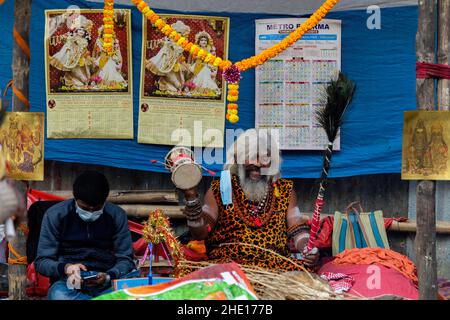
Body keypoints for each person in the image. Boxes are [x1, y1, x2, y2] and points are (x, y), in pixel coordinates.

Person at [180, 129, 320, 273]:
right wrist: (192, 199)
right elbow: (200, 233)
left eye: (264, 158)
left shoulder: (284, 190)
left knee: (308, 277)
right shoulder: (221, 188)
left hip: (275, 268)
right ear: (237, 159)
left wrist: (306, 248)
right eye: (251, 157)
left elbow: (297, 228)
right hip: (227, 267)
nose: (258, 164)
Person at [34, 170, 136, 300]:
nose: (91, 212)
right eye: (85, 208)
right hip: (68, 282)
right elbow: (42, 262)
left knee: (131, 292)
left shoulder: (117, 215)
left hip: (107, 281)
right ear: (75, 199)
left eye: (96, 208)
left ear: (104, 201)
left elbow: (126, 259)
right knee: (58, 295)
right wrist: (66, 268)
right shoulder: (55, 215)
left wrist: (109, 275)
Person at [146, 21, 191, 95]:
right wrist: (164, 43)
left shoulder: (182, 43)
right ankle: (168, 87)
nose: (178, 35)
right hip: (167, 63)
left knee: (182, 82)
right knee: (175, 84)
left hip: (178, 64)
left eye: (180, 33)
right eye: (176, 33)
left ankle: (179, 89)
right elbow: (161, 44)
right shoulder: (168, 40)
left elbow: (181, 51)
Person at [49, 16, 94, 90]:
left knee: (84, 71)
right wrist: (67, 39)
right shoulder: (72, 37)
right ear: (76, 30)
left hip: (81, 58)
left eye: (83, 31)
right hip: (72, 58)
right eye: (80, 30)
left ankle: (85, 82)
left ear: (85, 33)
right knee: (73, 71)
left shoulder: (84, 41)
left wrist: (86, 55)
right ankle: (75, 82)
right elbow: (67, 44)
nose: (81, 32)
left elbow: (84, 48)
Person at [188, 31, 221, 97]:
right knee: (199, 76)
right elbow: (193, 58)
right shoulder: (196, 48)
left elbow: (212, 58)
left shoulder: (209, 49)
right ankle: (197, 90)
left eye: (205, 40)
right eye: (202, 40)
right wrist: (199, 56)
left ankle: (206, 90)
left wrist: (209, 61)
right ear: (199, 42)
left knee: (206, 73)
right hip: (198, 65)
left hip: (206, 65)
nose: (204, 42)